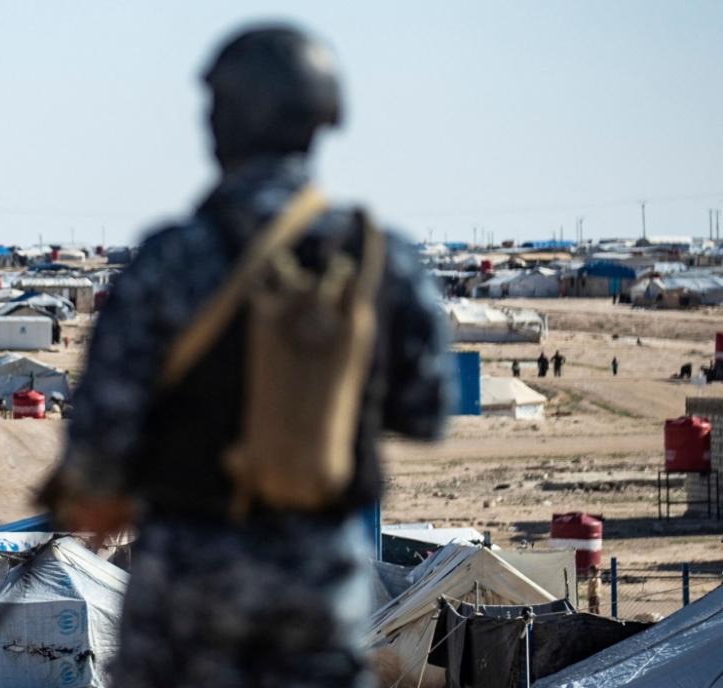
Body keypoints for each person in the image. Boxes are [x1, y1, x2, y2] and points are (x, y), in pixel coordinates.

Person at [36, 24, 454, 688]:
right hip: (319, 594)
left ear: (220, 122)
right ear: (321, 122)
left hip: (185, 595)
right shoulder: (377, 260)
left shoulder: (170, 262)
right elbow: (429, 411)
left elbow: (100, 442)